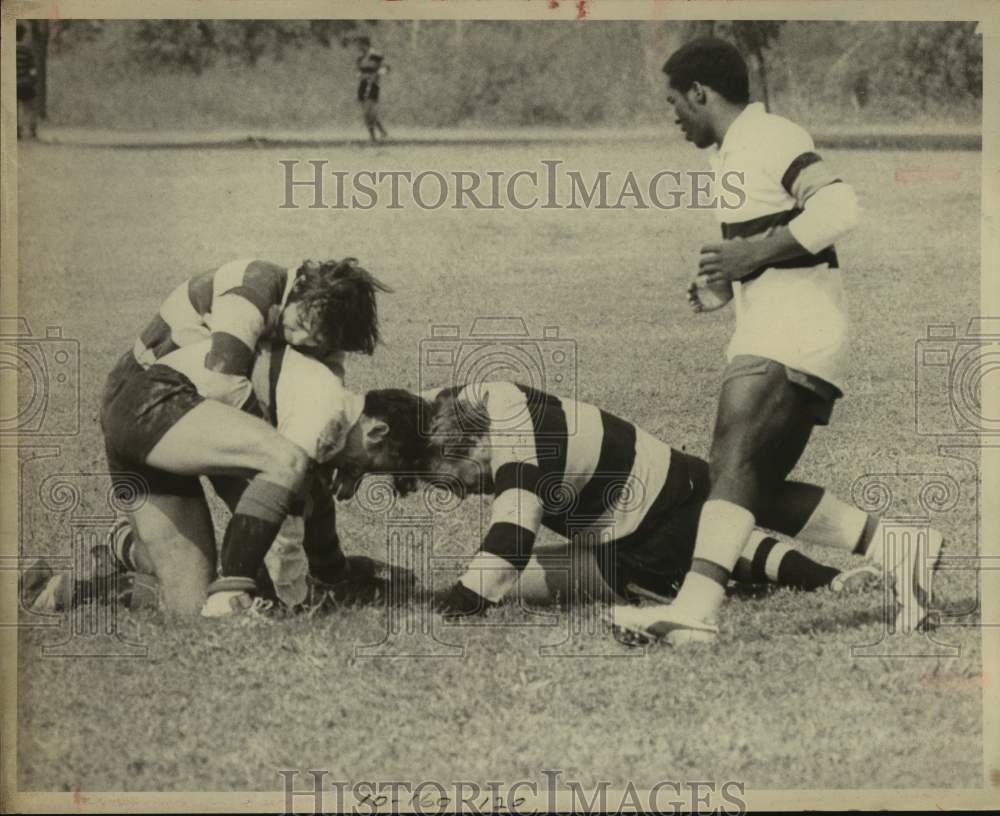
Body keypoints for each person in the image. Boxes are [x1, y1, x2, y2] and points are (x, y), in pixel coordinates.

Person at [620, 37, 941, 646]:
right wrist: (728, 284)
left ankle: (695, 608)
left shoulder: (772, 137)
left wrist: (752, 253)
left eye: (674, 103)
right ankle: (902, 546)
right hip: (779, 326)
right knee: (746, 489)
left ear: (700, 93)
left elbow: (841, 205)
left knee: (733, 465)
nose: (674, 118)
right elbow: (774, 248)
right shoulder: (736, 151)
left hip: (794, 332)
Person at [333, 382, 881, 618]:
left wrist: (459, 604)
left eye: (469, 478)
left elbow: (513, 531)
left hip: (649, 519)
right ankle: (830, 577)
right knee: (518, 583)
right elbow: (406, 413)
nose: (473, 489)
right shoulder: (463, 405)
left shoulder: (516, 446)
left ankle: (824, 578)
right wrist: (354, 457)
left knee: (702, 546)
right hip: (653, 497)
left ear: (477, 447)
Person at [26, 340, 422, 618]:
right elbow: (287, 528)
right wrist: (296, 598)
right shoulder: (324, 416)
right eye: (372, 465)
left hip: (140, 418)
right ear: (377, 432)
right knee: (257, 575)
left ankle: (94, 567)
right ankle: (228, 589)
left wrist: (345, 576)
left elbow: (312, 515)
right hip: (157, 406)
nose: (358, 474)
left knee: (186, 605)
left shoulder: (320, 413)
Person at [97, 257, 390, 616]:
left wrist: (344, 463)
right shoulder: (254, 286)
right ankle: (288, 589)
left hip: (191, 413)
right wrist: (273, 448)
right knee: (282, 481)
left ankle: (121, 550)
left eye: (315, 344)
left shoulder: (323, 328)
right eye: (299, 325)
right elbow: (222, 384)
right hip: (152, 402)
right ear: (298, 289)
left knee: (189, 606)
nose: (297, 341)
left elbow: (325, 413)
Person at [355, 36, 389, 143]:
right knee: (366, 112)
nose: (358, 47)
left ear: (365, 44)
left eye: (359, 45)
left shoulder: (376, 55)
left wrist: (377, 75)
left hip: (373, 85)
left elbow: (386, 68)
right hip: (363, 85)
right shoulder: (360, 58)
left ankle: (374, 135)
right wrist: (360, 75)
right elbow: (358, 71)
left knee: (370, 111)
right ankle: (379, 132)